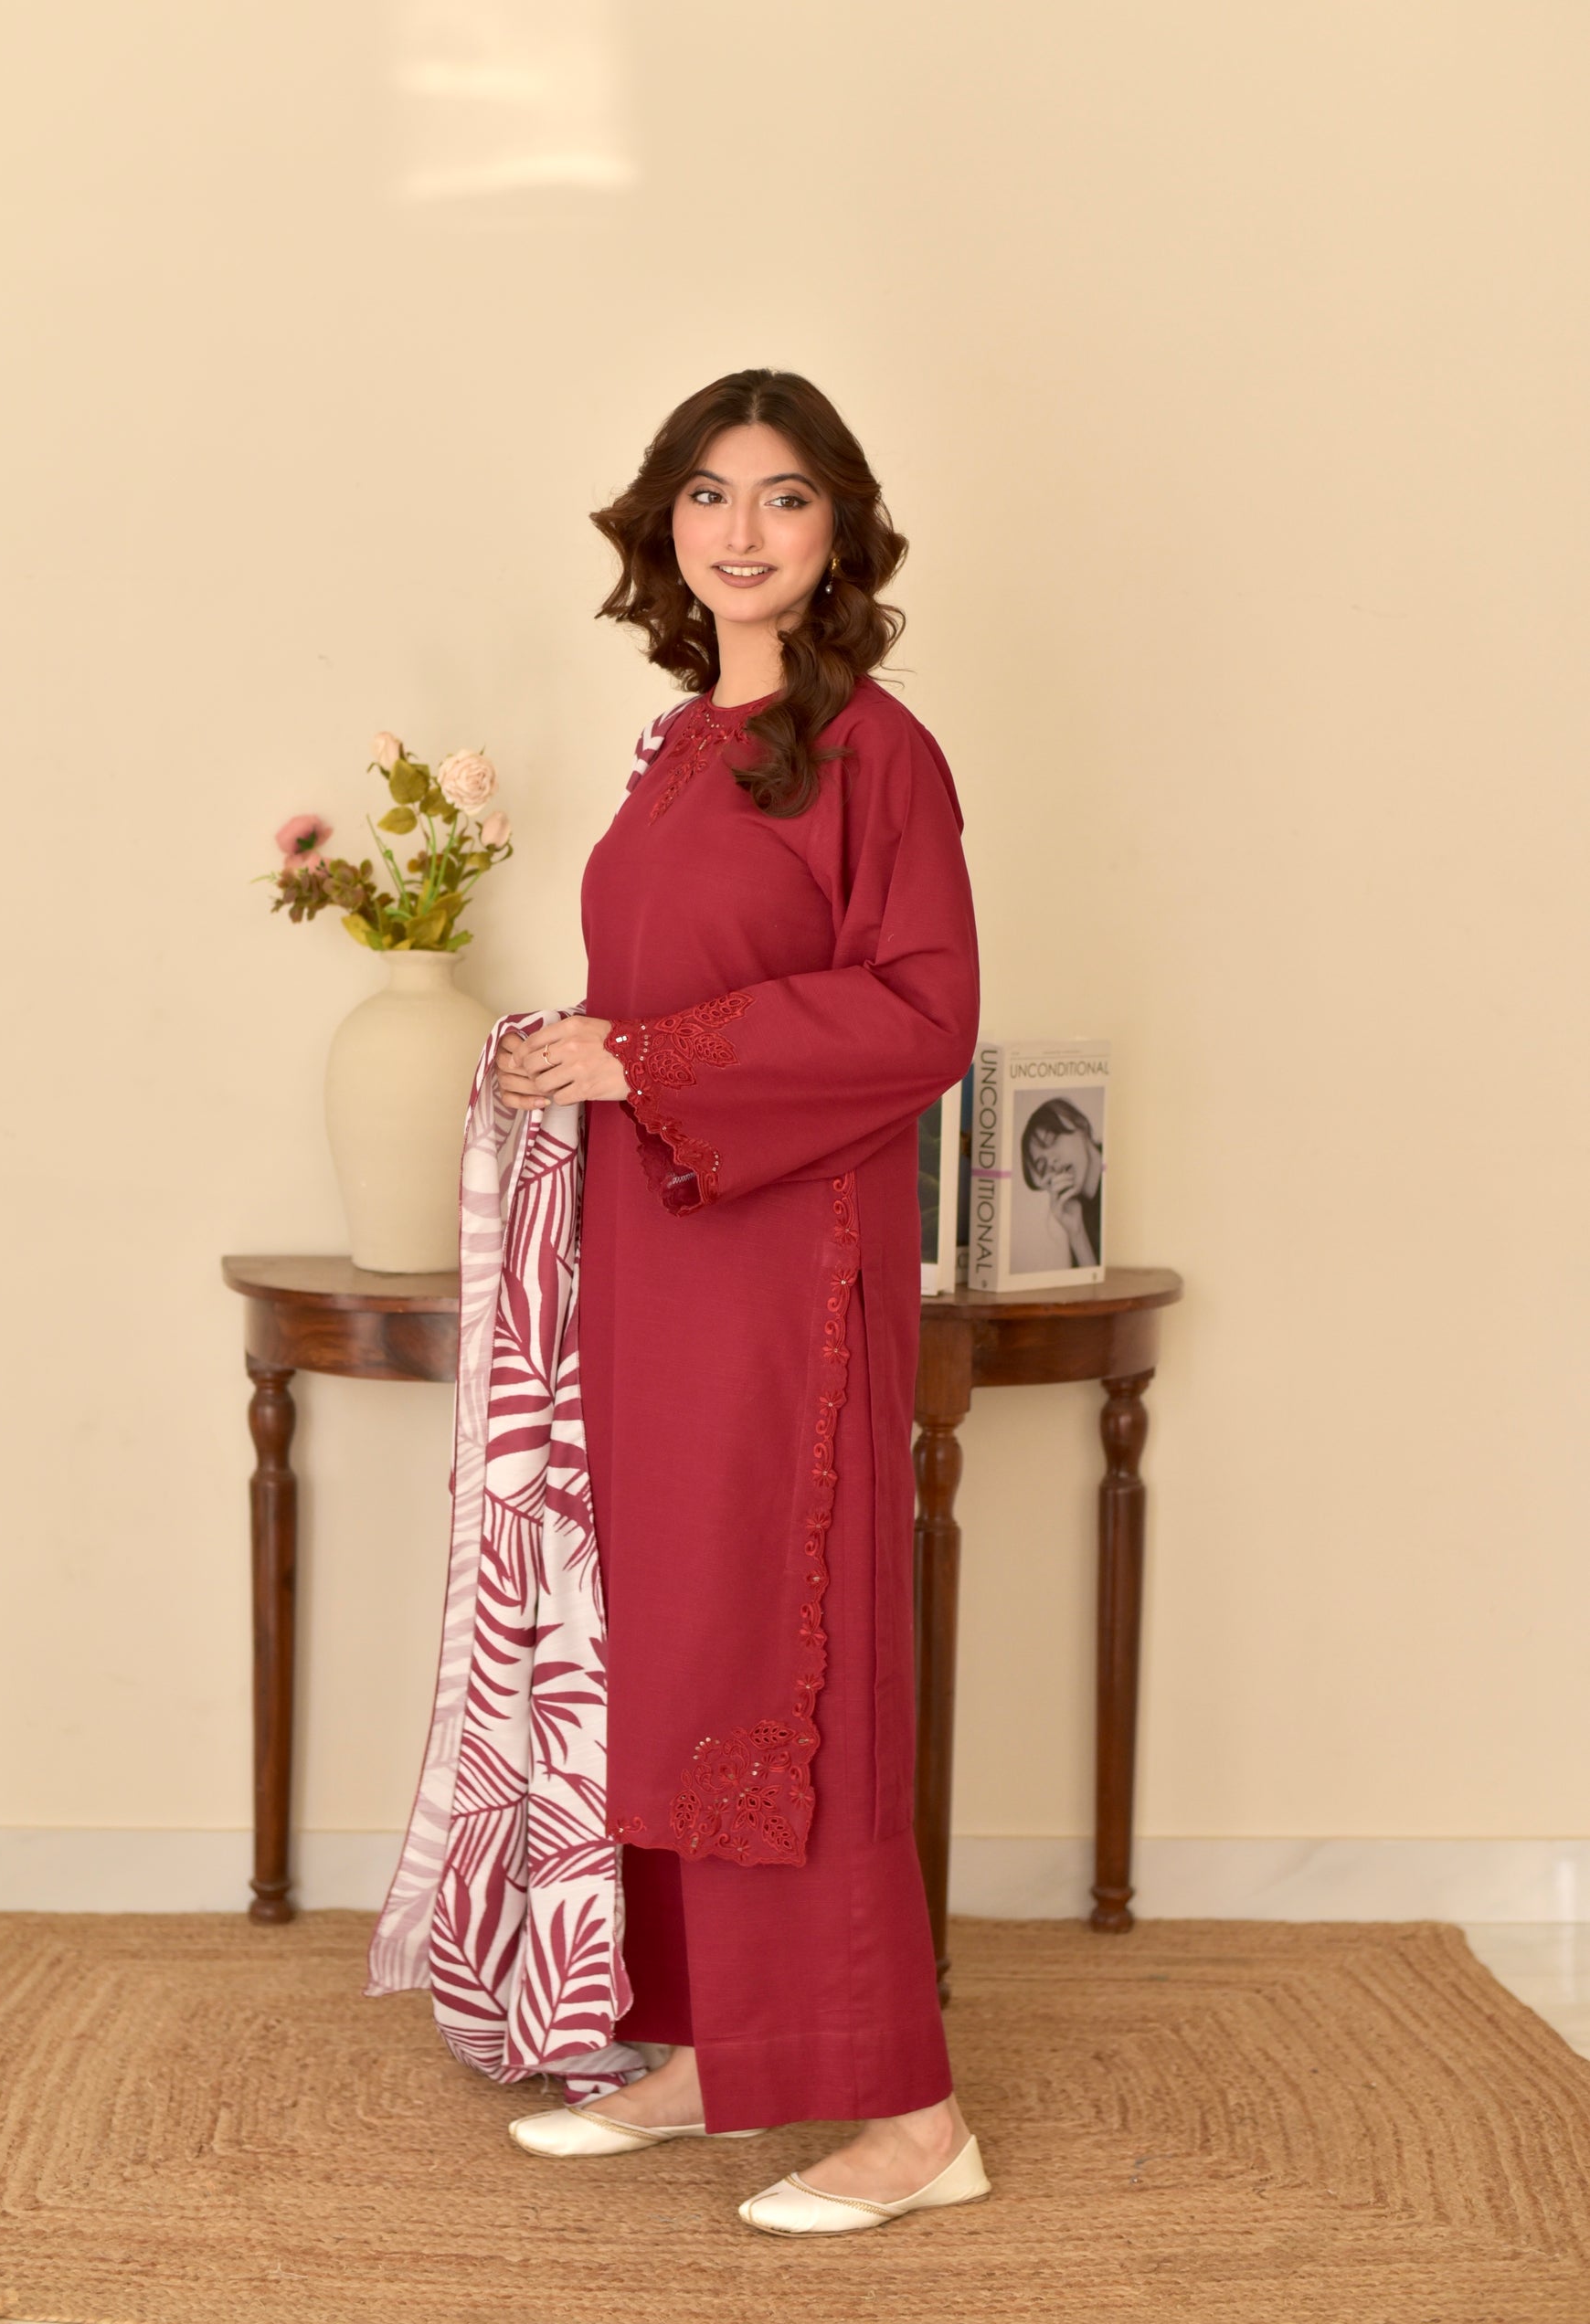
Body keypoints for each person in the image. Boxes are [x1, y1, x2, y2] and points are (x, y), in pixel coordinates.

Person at [493, 368, 986, 2238]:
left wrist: (646, 1061)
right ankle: (720, 2046)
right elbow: (669, 983)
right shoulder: (680, 746)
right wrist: (576, 1052)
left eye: (783, 495)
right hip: (662, 1257)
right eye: (708, 494)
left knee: (794, 1654)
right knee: (686, 1641)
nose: (742, 529)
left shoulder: (877, 750)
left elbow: (920, 1014)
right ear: (664, 528)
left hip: (793, 1265)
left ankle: (912, 2116)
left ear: (837, 528)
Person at [1018, 1096, 1104, 1270]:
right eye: (1042, 1166)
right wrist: (1076, 1233)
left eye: (1052, 1139)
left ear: (1080, 1124)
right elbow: (1094, 1285)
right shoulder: (1078, 1215)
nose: (1051, 1162)